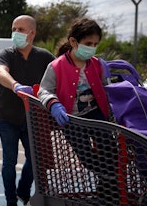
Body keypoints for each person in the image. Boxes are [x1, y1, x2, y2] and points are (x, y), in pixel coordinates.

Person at [37, 17, 117, 204]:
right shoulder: (56, 66)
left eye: (95, 44)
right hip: (72, 120)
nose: (92, 47)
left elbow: (106, 87)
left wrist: (113, 107)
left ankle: (106, 192)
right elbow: (44, 90)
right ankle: (107, 182)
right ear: (73, 42)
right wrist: (54, 104)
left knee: (110, 152)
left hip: (97, 116)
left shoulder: (96, 64)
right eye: (88, 43)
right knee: (86, 157)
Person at [0, 15, 55, 206]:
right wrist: (15, 85)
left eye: (20, 29)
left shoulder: (44, 57)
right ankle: (11, 201)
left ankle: (23, 189)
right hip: (7, 118)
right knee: (9, 162)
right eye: (14, 29)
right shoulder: (7, 53)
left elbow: (60, 71)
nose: (15, 33)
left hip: (33, 119)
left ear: (32, 33)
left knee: (36, 160)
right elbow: (0, 72)